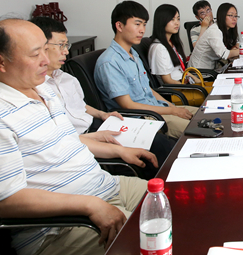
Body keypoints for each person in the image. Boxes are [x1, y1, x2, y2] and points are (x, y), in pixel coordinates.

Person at [0, 19, 153, 255]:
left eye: (45, 49)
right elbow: (9, 202)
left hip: (107, 187)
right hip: (61, 228)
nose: (46, 60)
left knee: (181, 203)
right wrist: (89, 204)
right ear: (0, 62)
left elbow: (67, 139)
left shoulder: (42, 88)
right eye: (35, 54)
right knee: (161, 238)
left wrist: (119, 151)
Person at [30, 16, 174, 179]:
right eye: (61, 45)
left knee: (159, 140)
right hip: (81, 137)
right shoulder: (36, 89)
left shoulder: (66, 78)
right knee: (155, 148)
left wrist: (102, 114)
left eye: (66, 45)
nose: (66, 51)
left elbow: (80, 106)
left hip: (97, 124)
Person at [94, 1, 197, 139]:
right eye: (137, 24)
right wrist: (172, 111)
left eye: (144, 24)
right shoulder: (110, 62)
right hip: (144, 118)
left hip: (158, 108)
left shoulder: (133, 54)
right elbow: (128, 105)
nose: (142, 30)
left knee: (208, 114)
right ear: (119, 26)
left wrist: (172, 108)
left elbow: (149, 90)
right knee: (201, 130)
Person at [189, 3, 240, 69]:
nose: (234, 19)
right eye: (231, 15)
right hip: (200, 70)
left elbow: (236, 42)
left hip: (214, 66)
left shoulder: (225, 27)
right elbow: (224, 54)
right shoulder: (213, 30)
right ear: (222, 16)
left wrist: (235, 48)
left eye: (235, 16)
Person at [149, 4, 189, 85]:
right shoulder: (159, 48)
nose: (177, 23)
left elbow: (181, 69)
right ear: (162, 21)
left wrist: (197, 80)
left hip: (184, 82)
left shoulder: (171, 43)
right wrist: (190, 88)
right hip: (177, 89)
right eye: (172, 19)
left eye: (178, 19)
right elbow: (167, 80)